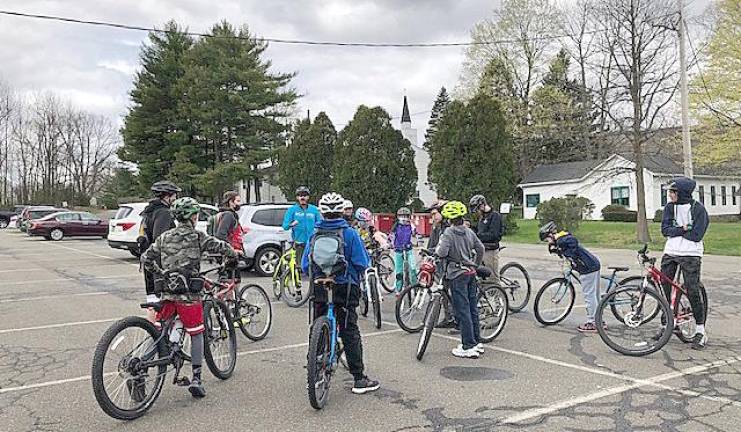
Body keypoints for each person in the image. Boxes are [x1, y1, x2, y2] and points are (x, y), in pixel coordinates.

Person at [141, 197, 238, 398]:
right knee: (196, 333)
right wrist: (233, 256)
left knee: (161, 332)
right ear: (193, 216)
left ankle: (142, 366)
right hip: (189, 295)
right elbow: (222, 247)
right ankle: (196, 378)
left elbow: (146, 259)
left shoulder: (164, 238)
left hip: (167, 293)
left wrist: (161, 272)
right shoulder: (197, 236)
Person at [302, 192, 380, 394]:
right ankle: (359, 378)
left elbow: (304, 265)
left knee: (317, 325)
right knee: (350, 331)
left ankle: (314, 368)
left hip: (320, 286)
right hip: (344, 287)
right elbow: (362, 263)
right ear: (341, 212)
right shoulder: (350, 233)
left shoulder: (315, 234)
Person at [661, 177, 709, 350]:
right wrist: (684, 229)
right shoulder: (669, 208)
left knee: (691, 289)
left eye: (672, 192)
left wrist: (677, 232)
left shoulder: (698, 210)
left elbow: (697, 235)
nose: (670, 195)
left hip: (691, 253)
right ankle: (667, 322)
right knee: (664, 286)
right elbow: (664, 230)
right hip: (671, 251)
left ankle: (700, 331)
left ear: (681, 193)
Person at [435, 201, 485, 359]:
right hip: (470, 273)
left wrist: (437, 250)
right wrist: (475, 264)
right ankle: (476, 341)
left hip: (457, 274)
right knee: (472, 308)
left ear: (449, 219)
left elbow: (442, 252)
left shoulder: (449, 233)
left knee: (462, 310)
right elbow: (480, 248)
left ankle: (468, 346)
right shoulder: (469, 231)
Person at [539, 221, 602, 333]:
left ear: (550, 235)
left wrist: (570, 256)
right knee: (594, 295)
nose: (547, 242)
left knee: (589, 296)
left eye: (546, 240)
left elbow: (573, 242)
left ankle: (593, 322)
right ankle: (599, 320)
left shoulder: (562, 239)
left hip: (587, 268)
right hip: (591, 264)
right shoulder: (560, 240)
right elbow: (565, 252)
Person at [140, 180, 181, 322]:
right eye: (174, 195)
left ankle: (152, 334)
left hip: (148, 260)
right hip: (160, 264)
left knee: (152, 301)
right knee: (164, 302)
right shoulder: (164, 213)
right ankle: (159, 336)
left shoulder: (149, 211)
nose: (175, 199)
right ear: (167, 196)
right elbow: (161, 239)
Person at [469, 195, 504, 288]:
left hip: (491, 249)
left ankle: (499, 298)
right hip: (482, 249)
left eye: (477, 210)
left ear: (482, 206)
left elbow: (494, 235)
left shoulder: (495, 216)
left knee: (492, 278)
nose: (477, 213)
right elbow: (480, 231)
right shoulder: (482, 218)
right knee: (480, 275)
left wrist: (477, 236)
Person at [282, 186, 322, 262]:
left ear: (308, 197)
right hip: (299, 244)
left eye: (305, 195)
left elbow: (320, 224)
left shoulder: (314, 210)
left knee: (312, 265)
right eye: (300, 195)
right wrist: (291, 224)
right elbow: (285, 226)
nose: (302, 198)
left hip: (312, 243)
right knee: (300, 266)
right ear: (297, 197)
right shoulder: (292, 210)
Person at [214, 191, 245, 281]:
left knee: (229, 279)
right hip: (228, 253)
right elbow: (221, 234)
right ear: (231, 202)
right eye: (238, 201)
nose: (240, 204)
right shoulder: (228, 215)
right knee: (234, 280)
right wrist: (232, 249)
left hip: (228, 251)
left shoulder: (227, 214)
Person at [390, 207, 418, 294]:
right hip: (398, 250)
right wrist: (390, 243)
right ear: (398, 217)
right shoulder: (396, 226)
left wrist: (417, 242)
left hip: (409, 249)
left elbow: (416, 236)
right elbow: (391, 236)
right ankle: (398, 289)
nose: (404, 218)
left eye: (406, 216)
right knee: (399, 272)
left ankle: (415, 287)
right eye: (401, 216)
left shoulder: (411, 226)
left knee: (413, 269)